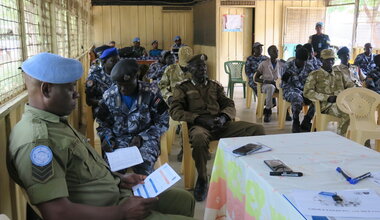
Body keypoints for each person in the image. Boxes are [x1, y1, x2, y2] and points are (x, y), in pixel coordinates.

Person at [7, 52, 196, 220]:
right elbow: (57, 213)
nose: (76, 95)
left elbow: (82, 172)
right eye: (70, 88)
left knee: (185, 200)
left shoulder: (55, 122)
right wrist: (121, 213)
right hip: (109, 211)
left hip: (118, 192)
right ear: (46, 90)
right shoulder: (38, 142)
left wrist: (120, 179)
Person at [170, 54, 265, 201]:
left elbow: (229, 104)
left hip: (221, 125)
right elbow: (175, 111)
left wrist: (224, 117)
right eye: (198, 67)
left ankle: (250, 171)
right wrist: (198, 118)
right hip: (200, 127)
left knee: (258, 130)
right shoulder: (183, 88)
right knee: (199, 138)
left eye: (204, 66)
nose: (203, 69)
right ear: (190, 70)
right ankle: (202, 177)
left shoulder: (214, 86)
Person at [97, 59, 169, 175]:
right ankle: (123, 194)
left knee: (144, 167)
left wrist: (142, 137)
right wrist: (107, 139)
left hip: (146, 140)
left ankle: (145, 193)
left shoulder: (151, 93)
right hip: (119, 140)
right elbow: (102, 124)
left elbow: (163, 121)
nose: (123, 89)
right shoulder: (109, 96)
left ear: (137, 77)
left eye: (127, 85)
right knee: (112, 172)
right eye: (119, 85)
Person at [304, 49, 354, 135]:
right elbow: (307, 92)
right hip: (325, 105)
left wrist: (357, 92)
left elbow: (350, 85)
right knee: (347, 113)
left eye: (332, 59)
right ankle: (341, 140)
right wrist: (327, 98)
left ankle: (362, 142)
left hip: (342, 102)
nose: (330, 62)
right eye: (327, 59)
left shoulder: (339, 73)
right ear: (321, 60)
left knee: (360, 111)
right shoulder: (315, 74)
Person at [281, 48, 315, 133]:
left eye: (305, 61)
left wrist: (307, 92)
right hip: (290, 90)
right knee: (297, 98)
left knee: (318, 99)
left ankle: (307, 120)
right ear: (296, 59)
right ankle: (296, 122)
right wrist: (301, 92)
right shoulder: (288, 66)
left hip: (305, 90)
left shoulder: (309, 66)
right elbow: (284, 84)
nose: (303, 63)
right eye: (301, 61)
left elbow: (312, 82)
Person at [254, 45, 286, 122]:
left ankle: (286, 112)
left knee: (287, 87)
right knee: (270, 87)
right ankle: (268, 111)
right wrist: (265, 81)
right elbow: (256, 78)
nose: (277, 52)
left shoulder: (281, 63)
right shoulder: (264, 64)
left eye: (277, 51)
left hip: (278, 85)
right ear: (269, 53)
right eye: (274, 51)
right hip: (266, 85)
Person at [85, 47, 119, 118]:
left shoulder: (121, 73)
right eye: (113, 61)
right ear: (104, 62)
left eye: (118, 60)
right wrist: (101, 102)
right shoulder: (95, 75)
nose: (117, 64)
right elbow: (88, 100)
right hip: (102, 108)